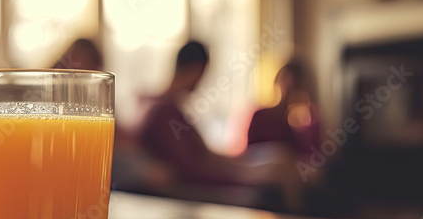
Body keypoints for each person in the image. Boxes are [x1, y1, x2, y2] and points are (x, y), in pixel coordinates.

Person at [137, 41, 299, 205]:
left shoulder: (171, 109)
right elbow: (189, 171)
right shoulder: (164, 112)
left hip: (198, 181)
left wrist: (248, 166)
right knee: (271, 187)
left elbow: (202, 156)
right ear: (196, 70)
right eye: (203, 73)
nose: (201, 82)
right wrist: (247, 176)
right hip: (190, 192)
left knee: (279, 161)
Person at [246, 61, 321, 161]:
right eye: (286, 83)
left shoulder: (311, 121)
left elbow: (312, 158)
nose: (290, 90)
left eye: (296, 85)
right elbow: (249, 155)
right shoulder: (261, 117)